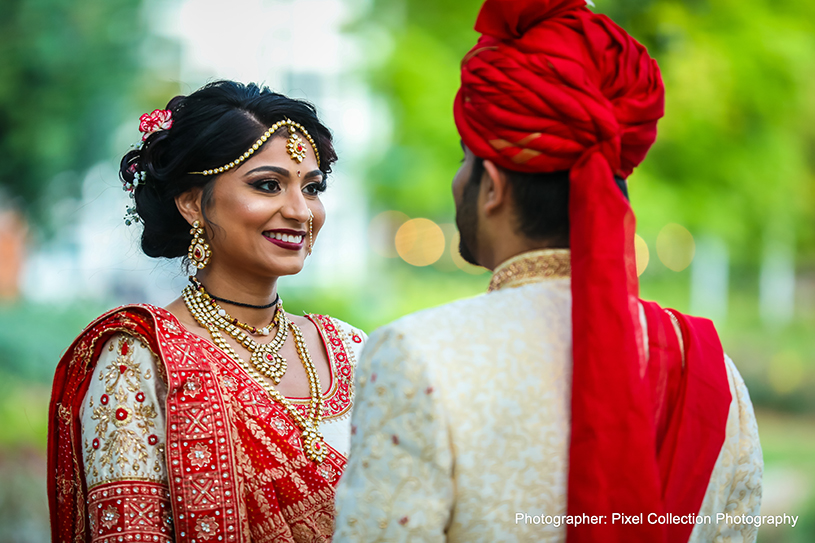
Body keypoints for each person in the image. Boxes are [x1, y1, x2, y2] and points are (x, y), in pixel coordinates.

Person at [334, 1, 762, 542]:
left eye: (464, 158)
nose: (456, 181)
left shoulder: (416, 354)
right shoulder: (710, 369)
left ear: (494, 185)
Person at [47, 81, 367, 543]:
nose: (301, 211)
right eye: (269, 185)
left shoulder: (356, 351)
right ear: (193, 202)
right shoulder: (138, 362)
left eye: (312, 188)